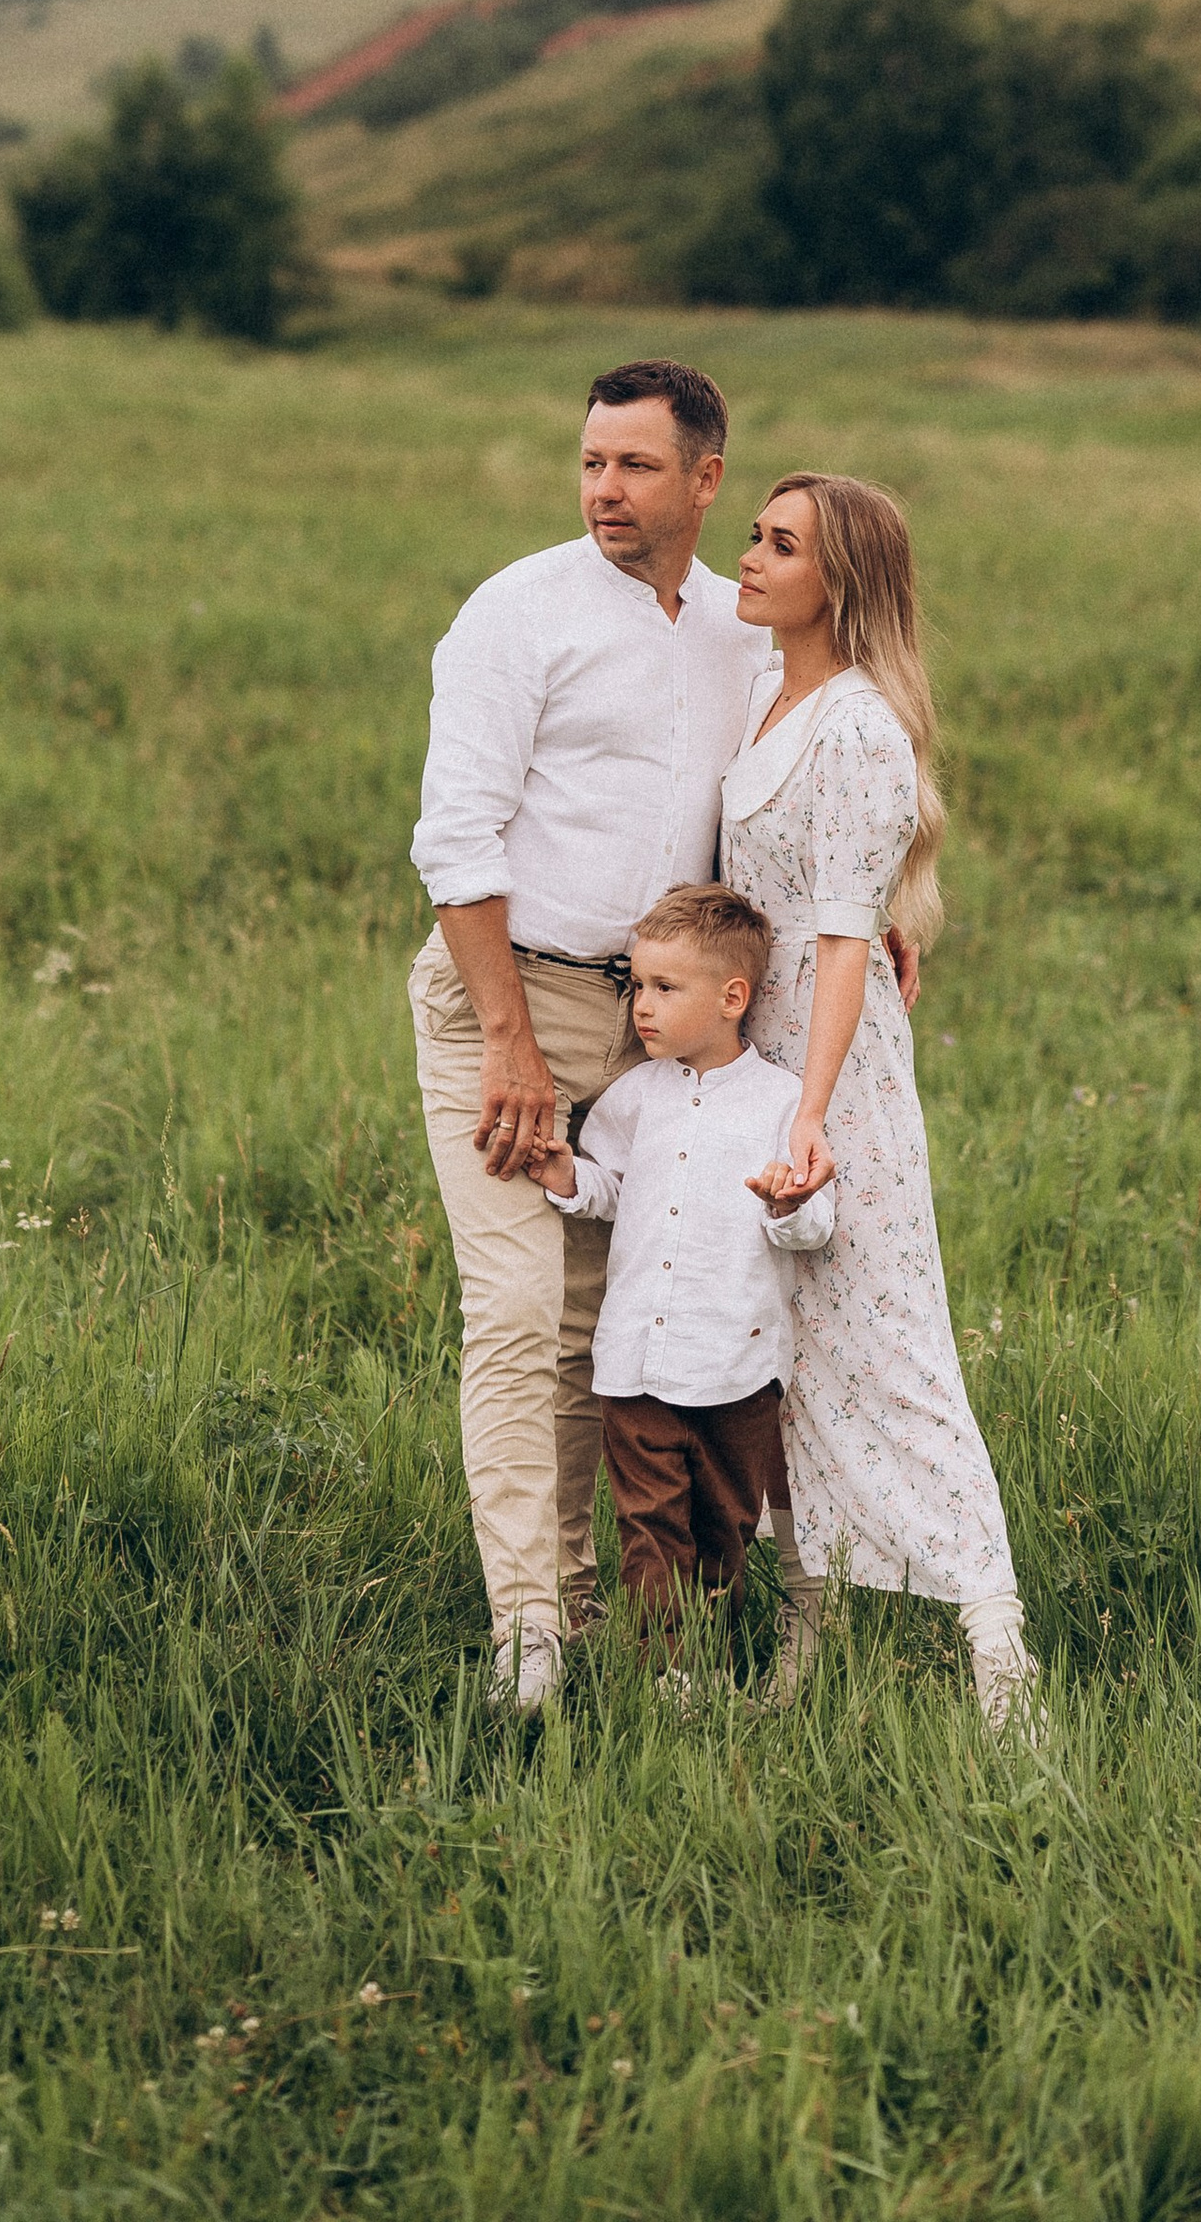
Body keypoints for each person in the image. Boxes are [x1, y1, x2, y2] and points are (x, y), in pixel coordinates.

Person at [408, 357, 766, 1712]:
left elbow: (785, 803)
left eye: (636, 466)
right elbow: (456, 837)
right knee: (517, 1317)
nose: (606, 491)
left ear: (706, 478)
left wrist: (880, 916)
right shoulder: (520, 613)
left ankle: (671, 1612)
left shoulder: (742, 629)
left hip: (663, 1025)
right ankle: (533, 1634)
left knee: (636, 1327)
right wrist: (508, 1040)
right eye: (591, 464)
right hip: (512, 999)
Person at [728, 471, 1037, 1727]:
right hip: (752, 1063)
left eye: (778, 542)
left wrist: (809, 1112)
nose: (745, 554)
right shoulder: (762, 691)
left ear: (838, 581)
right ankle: (803, 1650)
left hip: (832, 1075)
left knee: (893, 1356)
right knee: (786, 1366)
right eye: (752, 529)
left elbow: (845, 938)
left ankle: (1001, 1662)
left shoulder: (858, 729)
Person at [528, 882, 835, 1678]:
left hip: (735, 1367)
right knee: (650, 1526)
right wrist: (570, 1177)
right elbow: (614, 1193)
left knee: (722, 1527)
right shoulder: (634, 1098)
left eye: (666, 988)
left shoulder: (781, 1105)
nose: (643, 1006)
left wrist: (785, 1204)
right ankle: (667, 1677)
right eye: (637, 985)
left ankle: (713, 1655)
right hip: (634, 1362)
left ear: (734, 997)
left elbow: (814, 1226)